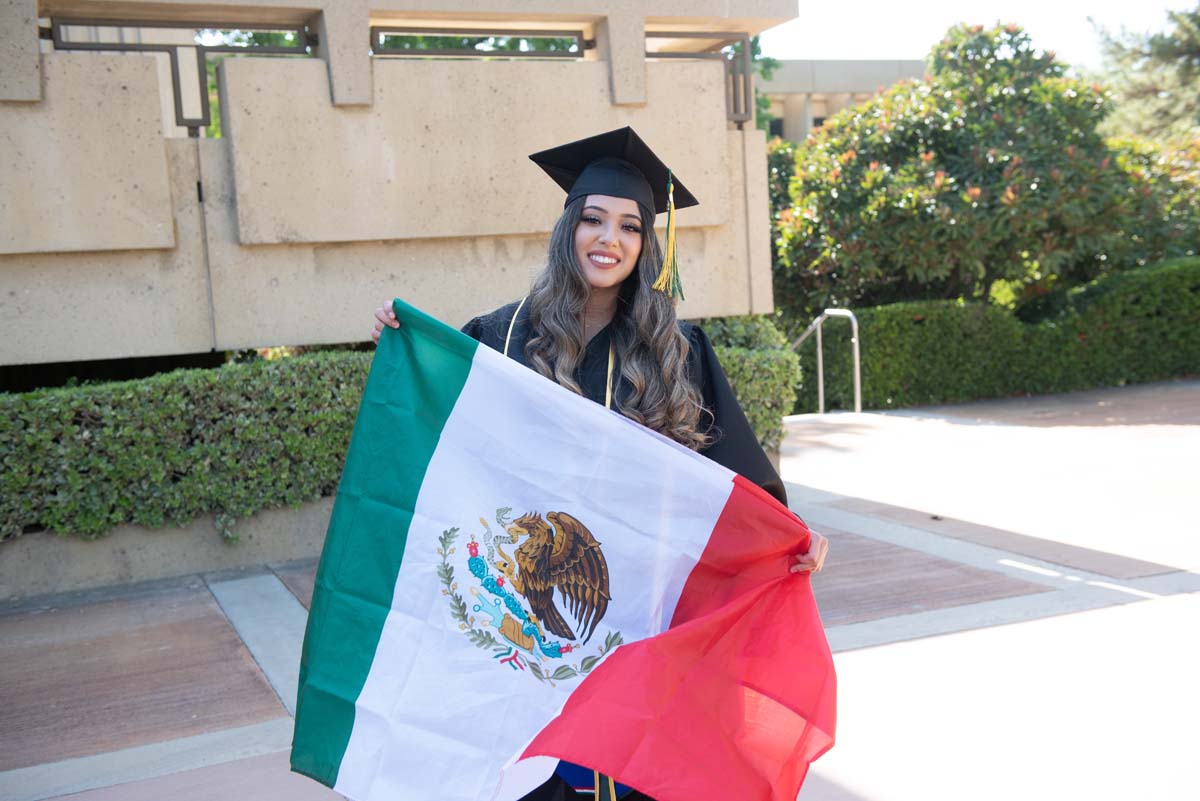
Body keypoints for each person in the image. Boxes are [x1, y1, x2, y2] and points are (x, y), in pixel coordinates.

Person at [370, 126, 828, 801]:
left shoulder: (676, 350)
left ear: (647, 246)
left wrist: (788, 532)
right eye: (592, 219)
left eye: (629, 226)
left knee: (625, 760)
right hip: (525, 605)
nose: (607, 239)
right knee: (523, 764)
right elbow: (439, 436)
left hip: (635, 605)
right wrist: (400, 348)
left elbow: (735, 473)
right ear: (568, 228)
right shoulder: (501, 336)